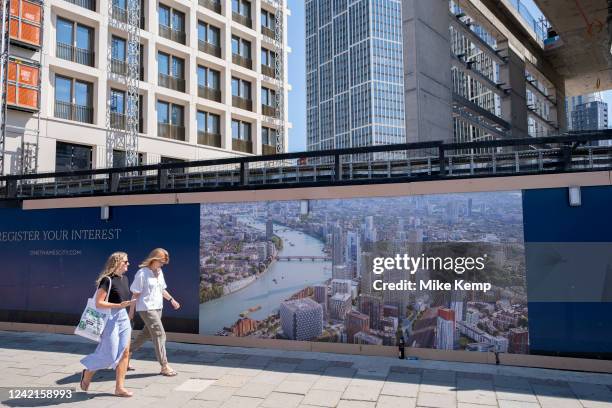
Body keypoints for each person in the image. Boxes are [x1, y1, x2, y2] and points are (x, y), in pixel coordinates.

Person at [80, 252, 136, 398]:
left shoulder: (125, 279)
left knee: (124, 352)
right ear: (117, 263)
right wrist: (118, 305)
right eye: (125, 261)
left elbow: (124, 301)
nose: (128, 264)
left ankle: (120, 388)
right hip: (109, 317)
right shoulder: (107, 280)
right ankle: (88, 371)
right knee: (110, 355)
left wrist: (128, 309)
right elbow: (99, 303)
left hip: (122, 316)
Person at [129, 248, 181, 376]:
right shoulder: (142, 273)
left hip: (158, 308)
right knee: (159, 334)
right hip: (146, 308)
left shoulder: (160, 272)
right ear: (154, 259)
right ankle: (164, 366)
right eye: (161, 262)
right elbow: (135, 293)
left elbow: (162, 289)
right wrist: (131, 312)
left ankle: (124, 355)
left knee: (146, 334)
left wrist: (172, 300)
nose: (163, 265)